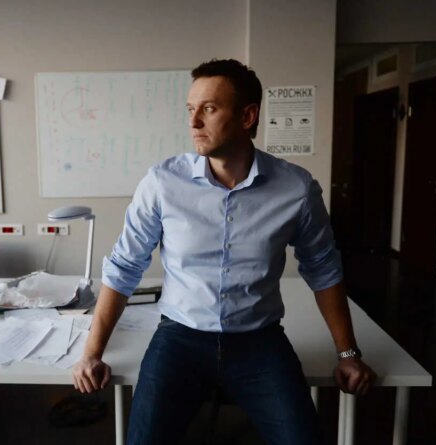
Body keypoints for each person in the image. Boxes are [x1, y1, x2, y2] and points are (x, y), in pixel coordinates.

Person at [72, 59, 376, 445]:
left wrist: (347, 353)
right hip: (179, 339)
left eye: (209, 109)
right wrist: (92, 353)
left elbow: (323, 268)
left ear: (248, 115)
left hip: (259, 342)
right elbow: (124, 267)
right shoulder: (163, 183)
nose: (194, 121)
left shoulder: (296, 189)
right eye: (190, 109)